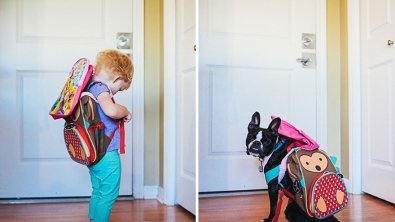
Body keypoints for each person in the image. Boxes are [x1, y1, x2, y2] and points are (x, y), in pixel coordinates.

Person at [87, 49, 134, 222]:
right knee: (108, 194)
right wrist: (126, 111)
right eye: (120, 88)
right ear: (117, 78)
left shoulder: (89, 87)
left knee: (98, 190)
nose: (116, 92)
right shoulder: (101, 89)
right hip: (106, 152)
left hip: (92, 151)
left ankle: (93, 219)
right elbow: (112, 110)